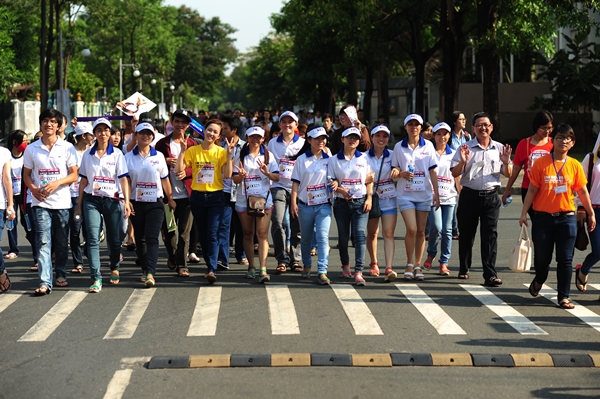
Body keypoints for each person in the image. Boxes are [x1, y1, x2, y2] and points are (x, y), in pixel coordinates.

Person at [520, 124, 595, 309]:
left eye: (567, 139)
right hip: (543, 218)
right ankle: (540, 279)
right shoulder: (541, 163)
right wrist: (523, 213)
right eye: (560, 137)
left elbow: (583, 192)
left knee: (565, 259)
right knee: (542, 260)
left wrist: (590, 213)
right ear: (554, 140)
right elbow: (531, 190)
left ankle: (563, 297)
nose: (563, 141)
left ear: (572, 144)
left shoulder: (574, 166)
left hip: (566, 218)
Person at [451, 112, 512, 286]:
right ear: (473, 128)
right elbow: (454, 172)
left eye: (486, 125)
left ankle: (490, 274)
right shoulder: (465, 148)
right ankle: (464, 267)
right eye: (479, 125)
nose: (483, 128)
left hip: (491, 197)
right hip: (469, 195)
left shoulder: (499, 148)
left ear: (491, 127)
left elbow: (507, 173)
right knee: (466, 235)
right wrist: (463, 161)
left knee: (490, 236)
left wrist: (506, 162)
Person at [23, 109, 78, 295]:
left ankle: (61, 273)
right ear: (41, 124)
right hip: (40, 203)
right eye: (45, 121)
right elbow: (27, 175)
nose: (49, 124)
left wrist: (57, 183)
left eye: (53, 121)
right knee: (43, 242)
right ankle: (45, 281)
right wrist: (33, 190)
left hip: (62, 202)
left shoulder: (67, 147)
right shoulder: (32, 148)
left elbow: (74, 175)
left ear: (59, 126)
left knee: (62, 242)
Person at [176, 119, 235, 284]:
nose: (211, 134)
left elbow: (228, 175)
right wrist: (182, 151)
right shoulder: (193, 150)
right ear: (204, 131)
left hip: (216, 197)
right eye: (209, 130)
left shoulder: (221, 152)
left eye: (215, 132)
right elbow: (178, 170)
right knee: (202, 234)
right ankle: (210, 264)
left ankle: (211, 268)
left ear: (218, 136)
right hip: (197, 197)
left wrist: (229, 155)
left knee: (212, 233)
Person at [75, 118, 131, 293]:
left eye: (106, 130)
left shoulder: (117, 154)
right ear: (94, 134)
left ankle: (114, 266)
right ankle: (96, 277)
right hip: (92, 200)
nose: (103, 133)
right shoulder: (87, 155)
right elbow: (83, 181)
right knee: (92, 238)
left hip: (112, 200)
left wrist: (127, 202)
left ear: (110, 133)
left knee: (114, 240)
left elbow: (123, 179)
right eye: (99, 130)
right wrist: (79, 205)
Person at [126, 122, 175, 287]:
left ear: (153, 136)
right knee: (140, 238)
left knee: (152, 237)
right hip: (136, 202)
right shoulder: (128, 157)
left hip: (155, 202)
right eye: (142, 133)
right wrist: (126, 201)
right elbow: (125, 181)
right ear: (136, 135)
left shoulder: (159, 156)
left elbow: (165, 179)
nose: (145, 136)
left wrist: (170, 197)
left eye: (149, 134)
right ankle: (145, 268)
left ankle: (150, 272)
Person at [392, 114, 440, 281]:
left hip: (424, 194)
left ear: (421, 127)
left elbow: (433, 171)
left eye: (417, 124)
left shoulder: (428, 146)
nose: (414, 127)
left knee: (421, 230)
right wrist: (400, 173)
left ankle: (418, 265)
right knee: (411, 229)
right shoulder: (399, 146)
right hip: (405, 194)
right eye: (410, 124)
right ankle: (409, 263)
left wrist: (437, 193)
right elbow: (395, 169)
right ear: (405, 127)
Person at [233, 126, 280, 282]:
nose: (255, 139)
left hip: (264, 199)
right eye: (252, 136)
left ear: (263, 139)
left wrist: (267, 173)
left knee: (262, 233)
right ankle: (251, 266)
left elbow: (276, 178)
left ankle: (263, 268)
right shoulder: (240, 155)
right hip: (243, 200)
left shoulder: (268, 156)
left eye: (258, 137)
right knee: (247, 233)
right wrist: (241, 175)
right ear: (247, 138)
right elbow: (235, 180)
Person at [328, 126, 373, 286]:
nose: (352, 140)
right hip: (341, 203)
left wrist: (369, 198)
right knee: (343, 237)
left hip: (360, 202)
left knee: (360, 236)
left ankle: (358, 271)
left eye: (356, 137)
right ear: (342, 139)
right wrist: (340, 189)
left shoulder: (364, 158)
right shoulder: (333, 160)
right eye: (349, 137)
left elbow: (369, 180)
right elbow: (330, 181)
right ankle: (345, 265)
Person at [155, 109, 197, 277]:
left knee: (184, 233)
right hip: (167, 197)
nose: (180, 125)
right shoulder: (162, 144)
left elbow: (199, 168)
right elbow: (153, 165)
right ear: (171, 122)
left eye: (184, 122)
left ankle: (182, 265)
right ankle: (173, 256)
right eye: (177, 121)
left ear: (188, 125)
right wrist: (165, 161)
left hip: (187, 197)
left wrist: (186, 172)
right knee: (170, 232)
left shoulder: (193, 144)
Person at [290, 126, 332, 285]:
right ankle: (307, 264)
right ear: (309, 140)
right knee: (306, 239)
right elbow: (295, 183)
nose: (321, 141)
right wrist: (293, 202)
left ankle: (322, 271)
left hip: (324, 205)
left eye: (323, 138)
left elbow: (334, 178)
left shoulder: (329, 159)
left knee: (322, 238)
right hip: (305, 205)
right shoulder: (301, 159)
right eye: (317, 138)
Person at [266, 111, 305, 274]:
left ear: (296, 125)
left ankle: (295, 259)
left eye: (291, 122)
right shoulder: (273, 143)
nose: (287, 124)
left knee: (297, 224)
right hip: (278, 186)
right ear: (280, 124)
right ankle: (282, 259)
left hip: (299, 188)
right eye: (284, 122)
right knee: (278, 220)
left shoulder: (304, 143)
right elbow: (267, 164)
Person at [502, 110, 554, 216]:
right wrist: (508, 189)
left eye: (550, 128)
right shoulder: (524, 144)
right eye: (544, 128)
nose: (547, 131)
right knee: (537, 221)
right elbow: (516, 169)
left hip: (549, 188)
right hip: (529, 189)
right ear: (536, 126)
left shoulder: (554, 143)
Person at [424, 122, 459, 276]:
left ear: (449, 136)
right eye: (439, 134)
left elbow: (457, 176)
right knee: (436, 228)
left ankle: (443, 262)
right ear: (434, 135)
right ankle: (431, 252)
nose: (442, 137)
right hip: (432, 196)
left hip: (449, 196)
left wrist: (461, 193)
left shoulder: (454, 154)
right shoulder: (428, 152)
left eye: (445, 134)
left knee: (447, 230)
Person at [365, 125, 399, 282]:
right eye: (378, 135)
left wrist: (397, 171)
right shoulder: (364, 157)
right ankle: (374, 263)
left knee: (389, 233)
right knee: (372, 233)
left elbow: (400, 168)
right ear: (372, 137)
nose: (381, 139)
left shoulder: (393, 155)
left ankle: (389, 267)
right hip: (372, 199)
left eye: (384, 136)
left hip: (389, 198)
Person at [217, 115, 247, 270]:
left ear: (234, 130)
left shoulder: (245, 146)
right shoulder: (219, 145)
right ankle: (223, 257)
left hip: (240, 190)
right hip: (223, 189)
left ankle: (241, 254)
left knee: (241, 225)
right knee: (224, 225)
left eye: (226, 128)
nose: (222, 131)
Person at [69, 123, 94, 274]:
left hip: (89, 194)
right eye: (91, 135)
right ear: (83, 136)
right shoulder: (70, 152)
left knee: (90, 229)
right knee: (75, 229)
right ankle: (78, 261)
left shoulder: (92, 152)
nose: (93, 137)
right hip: (73, 194)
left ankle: (88, 253)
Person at [6, 130, 28, 260]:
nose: (26, 143)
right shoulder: (7, 156)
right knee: (11, 223)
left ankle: (35, 244)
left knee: (27, 222)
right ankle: (13, 249)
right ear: (15, 142)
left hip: (24, 194)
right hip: (11, 194)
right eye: (24, 141)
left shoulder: (27, 156)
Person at [449, 111, 470, 240]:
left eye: (464, 119)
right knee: (451, 200)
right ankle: (452, 229)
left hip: (464, 172)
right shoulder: (448, 136)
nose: (463, 121)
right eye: (460, 119)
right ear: (454, 121)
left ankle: (462, 227)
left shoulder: (467, 136)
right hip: (450, 171)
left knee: (463, 201)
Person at [0, 142, 16, 291]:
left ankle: (0, 271)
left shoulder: (4, 152)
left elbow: (6, 179)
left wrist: (10, 204)